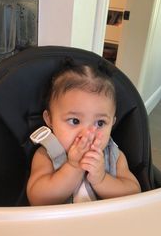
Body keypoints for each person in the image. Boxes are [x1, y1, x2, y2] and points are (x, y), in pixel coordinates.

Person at [27, 60, 141, 205]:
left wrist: (102, 179)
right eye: (74, 121)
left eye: (100, 123)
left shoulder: (114, 156)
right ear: (49, 120)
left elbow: (134, 194)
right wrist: (73, 168)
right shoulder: (47, 155)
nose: (88, 134)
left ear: (112, 123)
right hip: (61, 225)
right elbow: (38, 199)